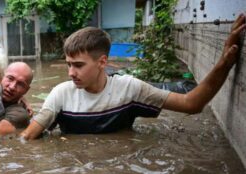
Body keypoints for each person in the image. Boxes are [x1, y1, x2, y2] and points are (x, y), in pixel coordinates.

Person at [20, 13, 246, 140]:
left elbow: (191, 104)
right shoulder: (61, 94)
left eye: (78, 65)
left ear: (102, 62)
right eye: (68, 64)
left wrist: (224, 63)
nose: (70, 73)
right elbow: (27, 139)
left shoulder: (130, 89)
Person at [0, 62, 33, 136]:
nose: (12, 87)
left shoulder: (19, 115)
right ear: (1, 76)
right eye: (10, 78)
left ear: (26, 90)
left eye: (20, 84)